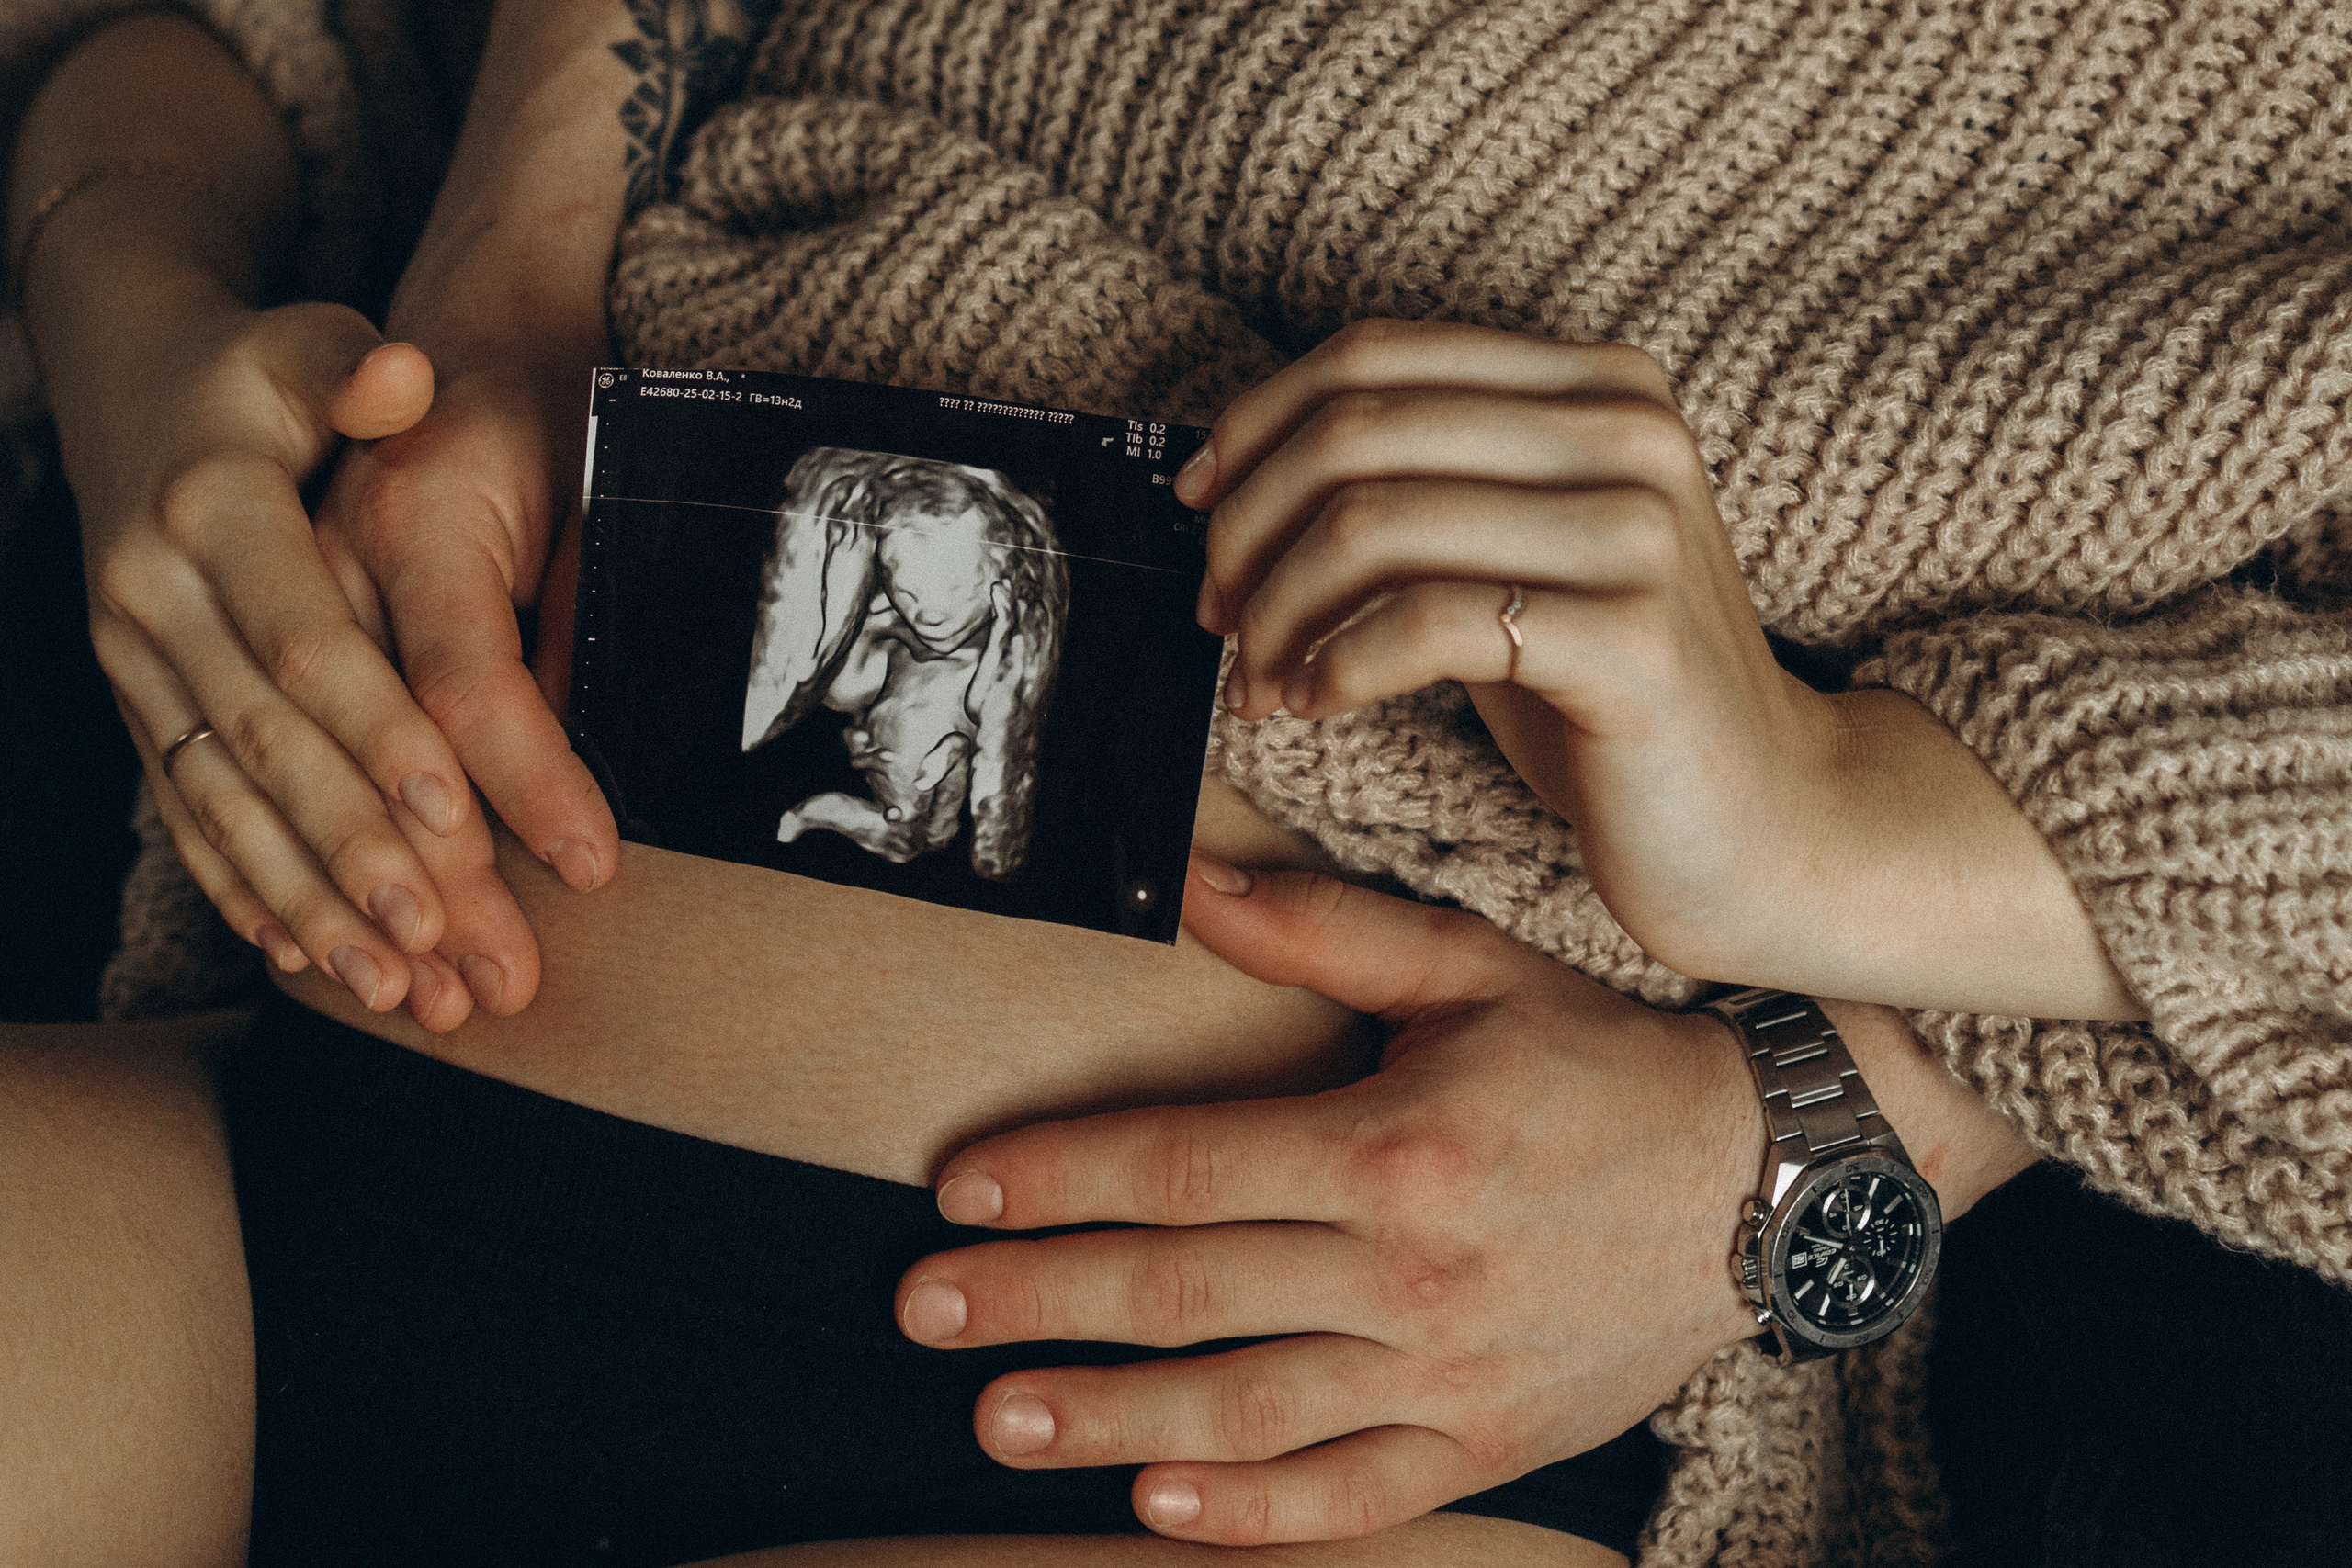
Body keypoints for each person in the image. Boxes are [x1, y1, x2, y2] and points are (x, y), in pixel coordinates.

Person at [5, 2, 2346, 1566]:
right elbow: (232, 43)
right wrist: (156, 335)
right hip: (280, 1125)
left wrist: (1844, 850)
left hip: (1254, 1426)